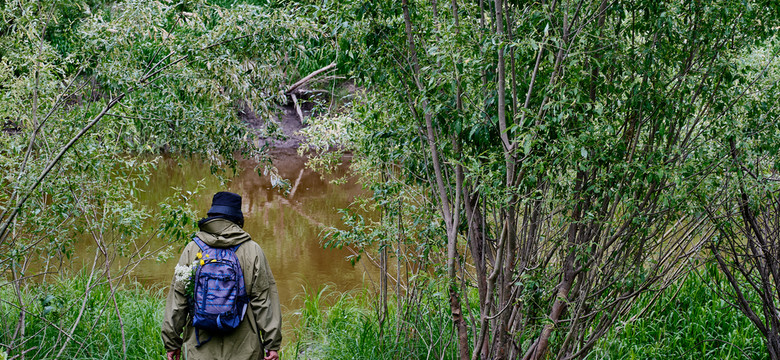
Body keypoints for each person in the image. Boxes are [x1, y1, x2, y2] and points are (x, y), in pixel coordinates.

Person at [161, 191, 282, 360]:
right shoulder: (253, 250)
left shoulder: (192, 249)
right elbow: (263, 301)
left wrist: (172, 342)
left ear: (211, 216)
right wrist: (272, 344)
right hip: (245, 347)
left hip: (199, 345)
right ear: (238, 219)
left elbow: (178, 300)